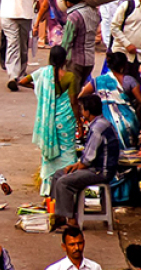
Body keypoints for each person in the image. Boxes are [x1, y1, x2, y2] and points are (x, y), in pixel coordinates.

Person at [50, 95, 121, 229]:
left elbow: (88, 160)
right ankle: (58, 215)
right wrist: (74, 167)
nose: (81, 112)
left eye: (82, 109)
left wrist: (76, 167)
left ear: (88, 111)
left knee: (64, 182)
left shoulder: (97, 129)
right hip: (95, 167)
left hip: (101, 171)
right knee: (58, 174)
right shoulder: (100, 123)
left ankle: (71, 221)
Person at [18, 46, 79, 195]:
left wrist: (40, 87)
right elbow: (73, 102)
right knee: (68, 152)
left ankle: (48, 189)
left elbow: (22, 81)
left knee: (50, 155)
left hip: (49, 121)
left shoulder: (42, 73)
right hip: (65, 120)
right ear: (65, 60)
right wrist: (80, 122)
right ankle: (68, 186)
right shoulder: (70, 77)